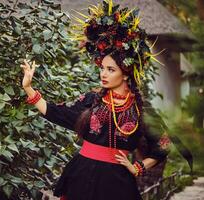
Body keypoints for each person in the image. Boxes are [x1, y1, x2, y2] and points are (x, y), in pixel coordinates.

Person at [21, 1, 171, 199]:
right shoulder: (92, 100)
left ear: (125, 74)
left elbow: (163, 145)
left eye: (111, 70)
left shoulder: (140, 110)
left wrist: (138, 167)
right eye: (102, 68)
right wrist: (28, 87)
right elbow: (55, 112)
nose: (104, 74)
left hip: (117, 183)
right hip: (82, 176)